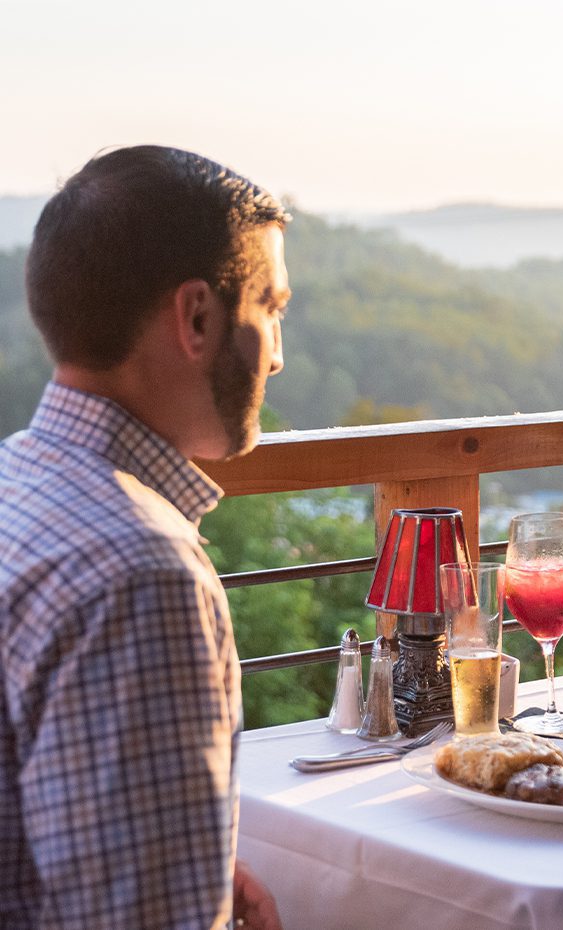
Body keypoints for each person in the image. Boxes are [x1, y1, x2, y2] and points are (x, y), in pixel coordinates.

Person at [0, 146, 289, 928]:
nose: (280, 356)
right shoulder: (139, 572)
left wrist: (180, 863)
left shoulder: (15, 488)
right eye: (271, 310)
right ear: (197, 318)